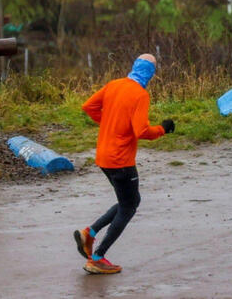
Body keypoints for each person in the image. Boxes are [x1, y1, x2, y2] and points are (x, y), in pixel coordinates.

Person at [73, 53, 175, 274]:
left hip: (103, 157)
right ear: (151, 73)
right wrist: (162, 130)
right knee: (128, 206)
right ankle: (97, 257)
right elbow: (141, 131)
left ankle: (89, 233)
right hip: (121, 161)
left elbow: (88, 106)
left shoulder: (114, 85)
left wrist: (110, 122)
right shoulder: (140, 95)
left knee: (128, 200)